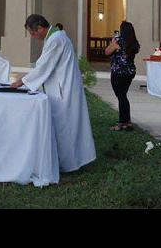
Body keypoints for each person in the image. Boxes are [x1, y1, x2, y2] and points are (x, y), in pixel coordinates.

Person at [10, 14, 96, 172]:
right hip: (61, 86)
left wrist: (22, 82)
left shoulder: (56, 39)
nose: (32, 37)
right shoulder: (54, 37)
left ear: (40, 28)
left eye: (32, 33)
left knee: (65, 128)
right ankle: (68, 161)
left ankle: (68, 164)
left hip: (64, 90)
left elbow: (44, 66)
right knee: (65, 127)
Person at [105, 21, 140, 131]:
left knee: (121, 97)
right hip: (129, 72)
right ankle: (127, 122)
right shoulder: (134, 43)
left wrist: (112, 43)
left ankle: (122, 123)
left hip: (118, 72)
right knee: (123, 96)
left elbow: (107, 52)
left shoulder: (118, 41)